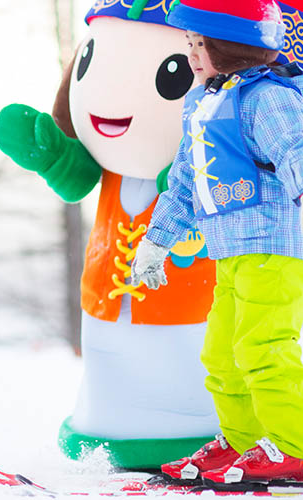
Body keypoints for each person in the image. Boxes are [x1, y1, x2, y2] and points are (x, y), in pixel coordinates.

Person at [131, 0, 303, 486]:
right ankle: (246, 441)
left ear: (231, 46)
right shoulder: (204, 104)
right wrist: (156, 242)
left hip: (273, 248)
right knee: (222, 355)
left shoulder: (268, 98)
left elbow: (296, 151)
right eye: (188, 44)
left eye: (198, 44)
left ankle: (294, 444)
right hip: (229, 252)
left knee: (263, 348)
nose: (190, 55)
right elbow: (186, 182)